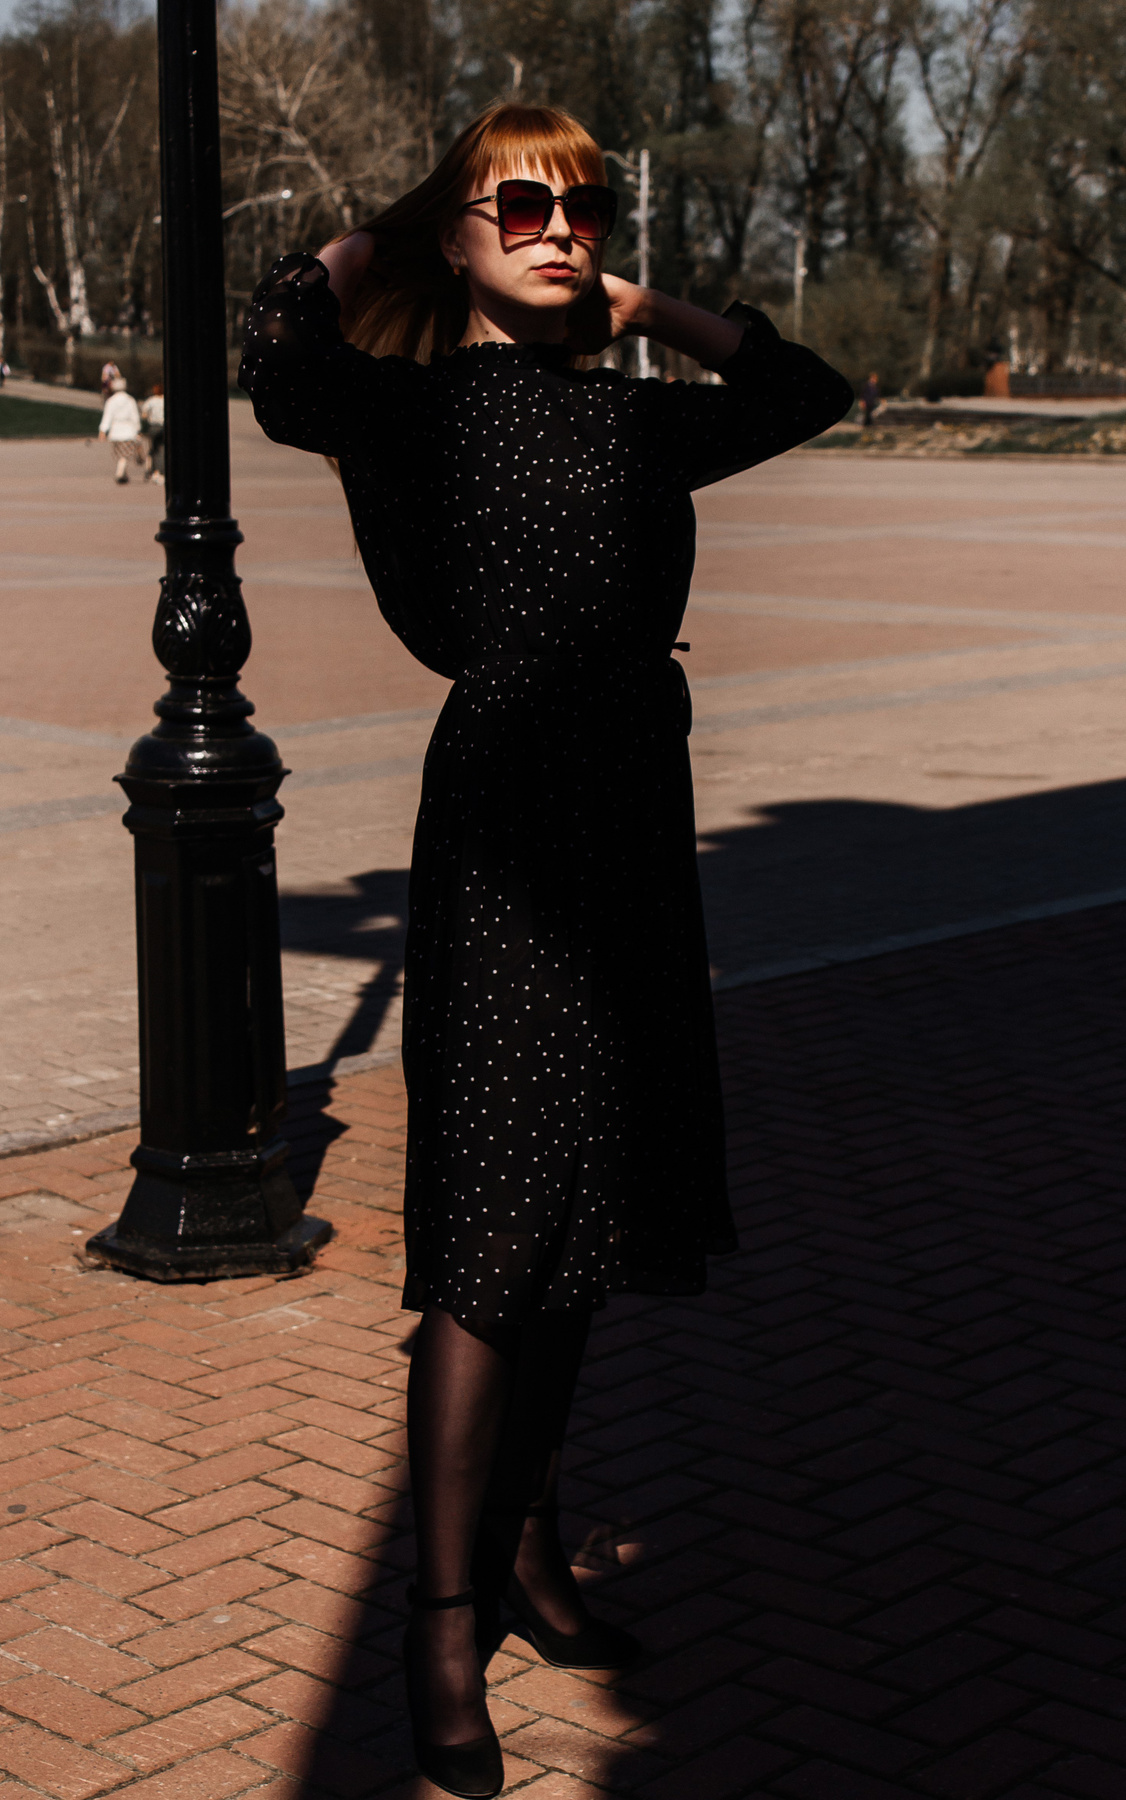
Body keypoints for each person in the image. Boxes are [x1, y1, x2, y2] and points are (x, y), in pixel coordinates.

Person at [240, 102, 851, 1800]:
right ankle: (438, 1621)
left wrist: (645, 308)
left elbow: (805, 390)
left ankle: (524, 1539)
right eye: (520, 206)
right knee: (494, 1228)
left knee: (595, 1201)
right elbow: (280, 356)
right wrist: (388, 229)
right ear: (461, 237)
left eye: (581, 206)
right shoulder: (420, 410)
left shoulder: (639, 418)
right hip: (509, 821)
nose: (559, 227)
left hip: (636, 826)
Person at [97, 376, 143, 483]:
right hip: (129, 430)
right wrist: (138, 429)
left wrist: (102, 431)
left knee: (120, 454)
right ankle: (120, 472)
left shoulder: (111, 401)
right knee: (125, 454)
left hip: (116, 431)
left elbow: (107, 417)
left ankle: (122, 473)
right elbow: (135, 416)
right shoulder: (130, 400)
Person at [139, 382, 165, 483]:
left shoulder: (151, 400)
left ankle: (151, 470)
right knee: (162, 449)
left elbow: (144, 413)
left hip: (154, 427)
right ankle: (160, 472)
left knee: (153, 449)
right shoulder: (164, 400)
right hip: (163, 426)